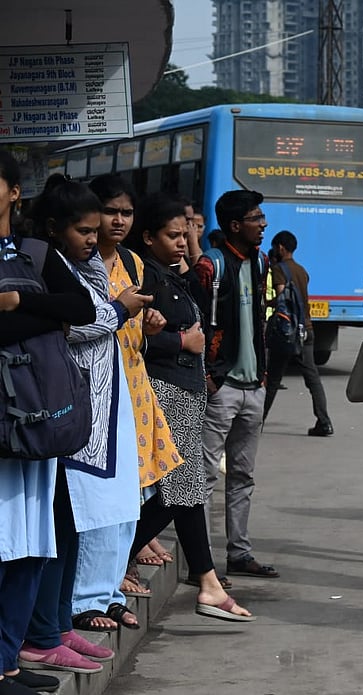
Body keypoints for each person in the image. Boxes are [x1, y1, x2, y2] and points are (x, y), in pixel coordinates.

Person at [21, 176, 152, 671]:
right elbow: (77, 323)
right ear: (53, 227)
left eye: (96, 229)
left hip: (90, 412)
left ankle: (57, 626)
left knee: (75, 521)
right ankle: (43, 631)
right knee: (58, 521)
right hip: (59, 408)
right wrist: (120, 309)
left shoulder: (79, 263)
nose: (94, 239)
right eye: (84, 230)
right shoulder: (38, 262)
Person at [0, 151, 96, 695]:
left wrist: (16, 299)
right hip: (5, 422)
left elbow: (81, 304)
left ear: (16, 192)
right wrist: (44, 312)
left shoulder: (34, 253)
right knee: (5, 545)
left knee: (32, 546)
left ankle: (9, 656)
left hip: (40, 419)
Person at [128, 193, 254, 620]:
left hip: (187, 390)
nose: (182, 242)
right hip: (166, 392)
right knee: (181, 490)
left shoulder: (173, 276)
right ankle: (205, 580)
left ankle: (205, 580)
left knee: (181, 491)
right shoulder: (146, 279)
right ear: (148, 237)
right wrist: (180, 341)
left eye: (186, 234)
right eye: (172, 235)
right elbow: (132, 338)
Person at [89, 174, 179, 609]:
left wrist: (151, 324)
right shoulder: (77, 262)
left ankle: (114, 577)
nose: (118, 220)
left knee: (135, 491)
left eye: (126, 212)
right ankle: (94, 590)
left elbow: (138, 329)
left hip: (134, 384)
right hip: (96, 388)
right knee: (101, 496)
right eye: (111, 212)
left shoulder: (134, 263)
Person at [194, 190, 280, 578]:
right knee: (207, 476)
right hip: (223, 386)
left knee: (243, 476)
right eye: (255, 218)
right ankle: (202, 564)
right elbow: (199, 323)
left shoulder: (261, 263)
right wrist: (210, 377)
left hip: (252, 386)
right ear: (234, 226)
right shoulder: (211, 266)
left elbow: (261, 320)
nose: (263, 224)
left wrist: (261, 377)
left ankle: (239, 553)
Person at [262, 230, 333, 437]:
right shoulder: (302, 270)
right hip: (306, 329)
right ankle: (324, 421)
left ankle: (257, 421)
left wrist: (268, 303)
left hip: (287, 331)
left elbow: (284, 297)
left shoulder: (279, 269)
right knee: (312, 378)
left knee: (273, 378)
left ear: (281, 248)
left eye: (276, 247)